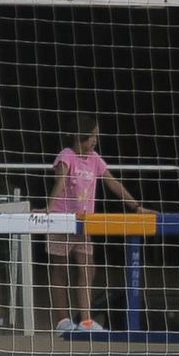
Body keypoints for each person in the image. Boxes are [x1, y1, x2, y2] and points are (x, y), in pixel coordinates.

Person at [46, 114, 145, 334]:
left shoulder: (95, 159)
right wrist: (49, 209)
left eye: (96, 137)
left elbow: (113, 183)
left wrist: (136, 206)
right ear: (78, 136)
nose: (95, 141)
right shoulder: (67, 156)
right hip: (63, 220)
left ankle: (86, 320)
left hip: (85, 223)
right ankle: (62, 321)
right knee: (60, 269)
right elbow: (60, 182)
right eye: (92, 136)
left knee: (87, 268)